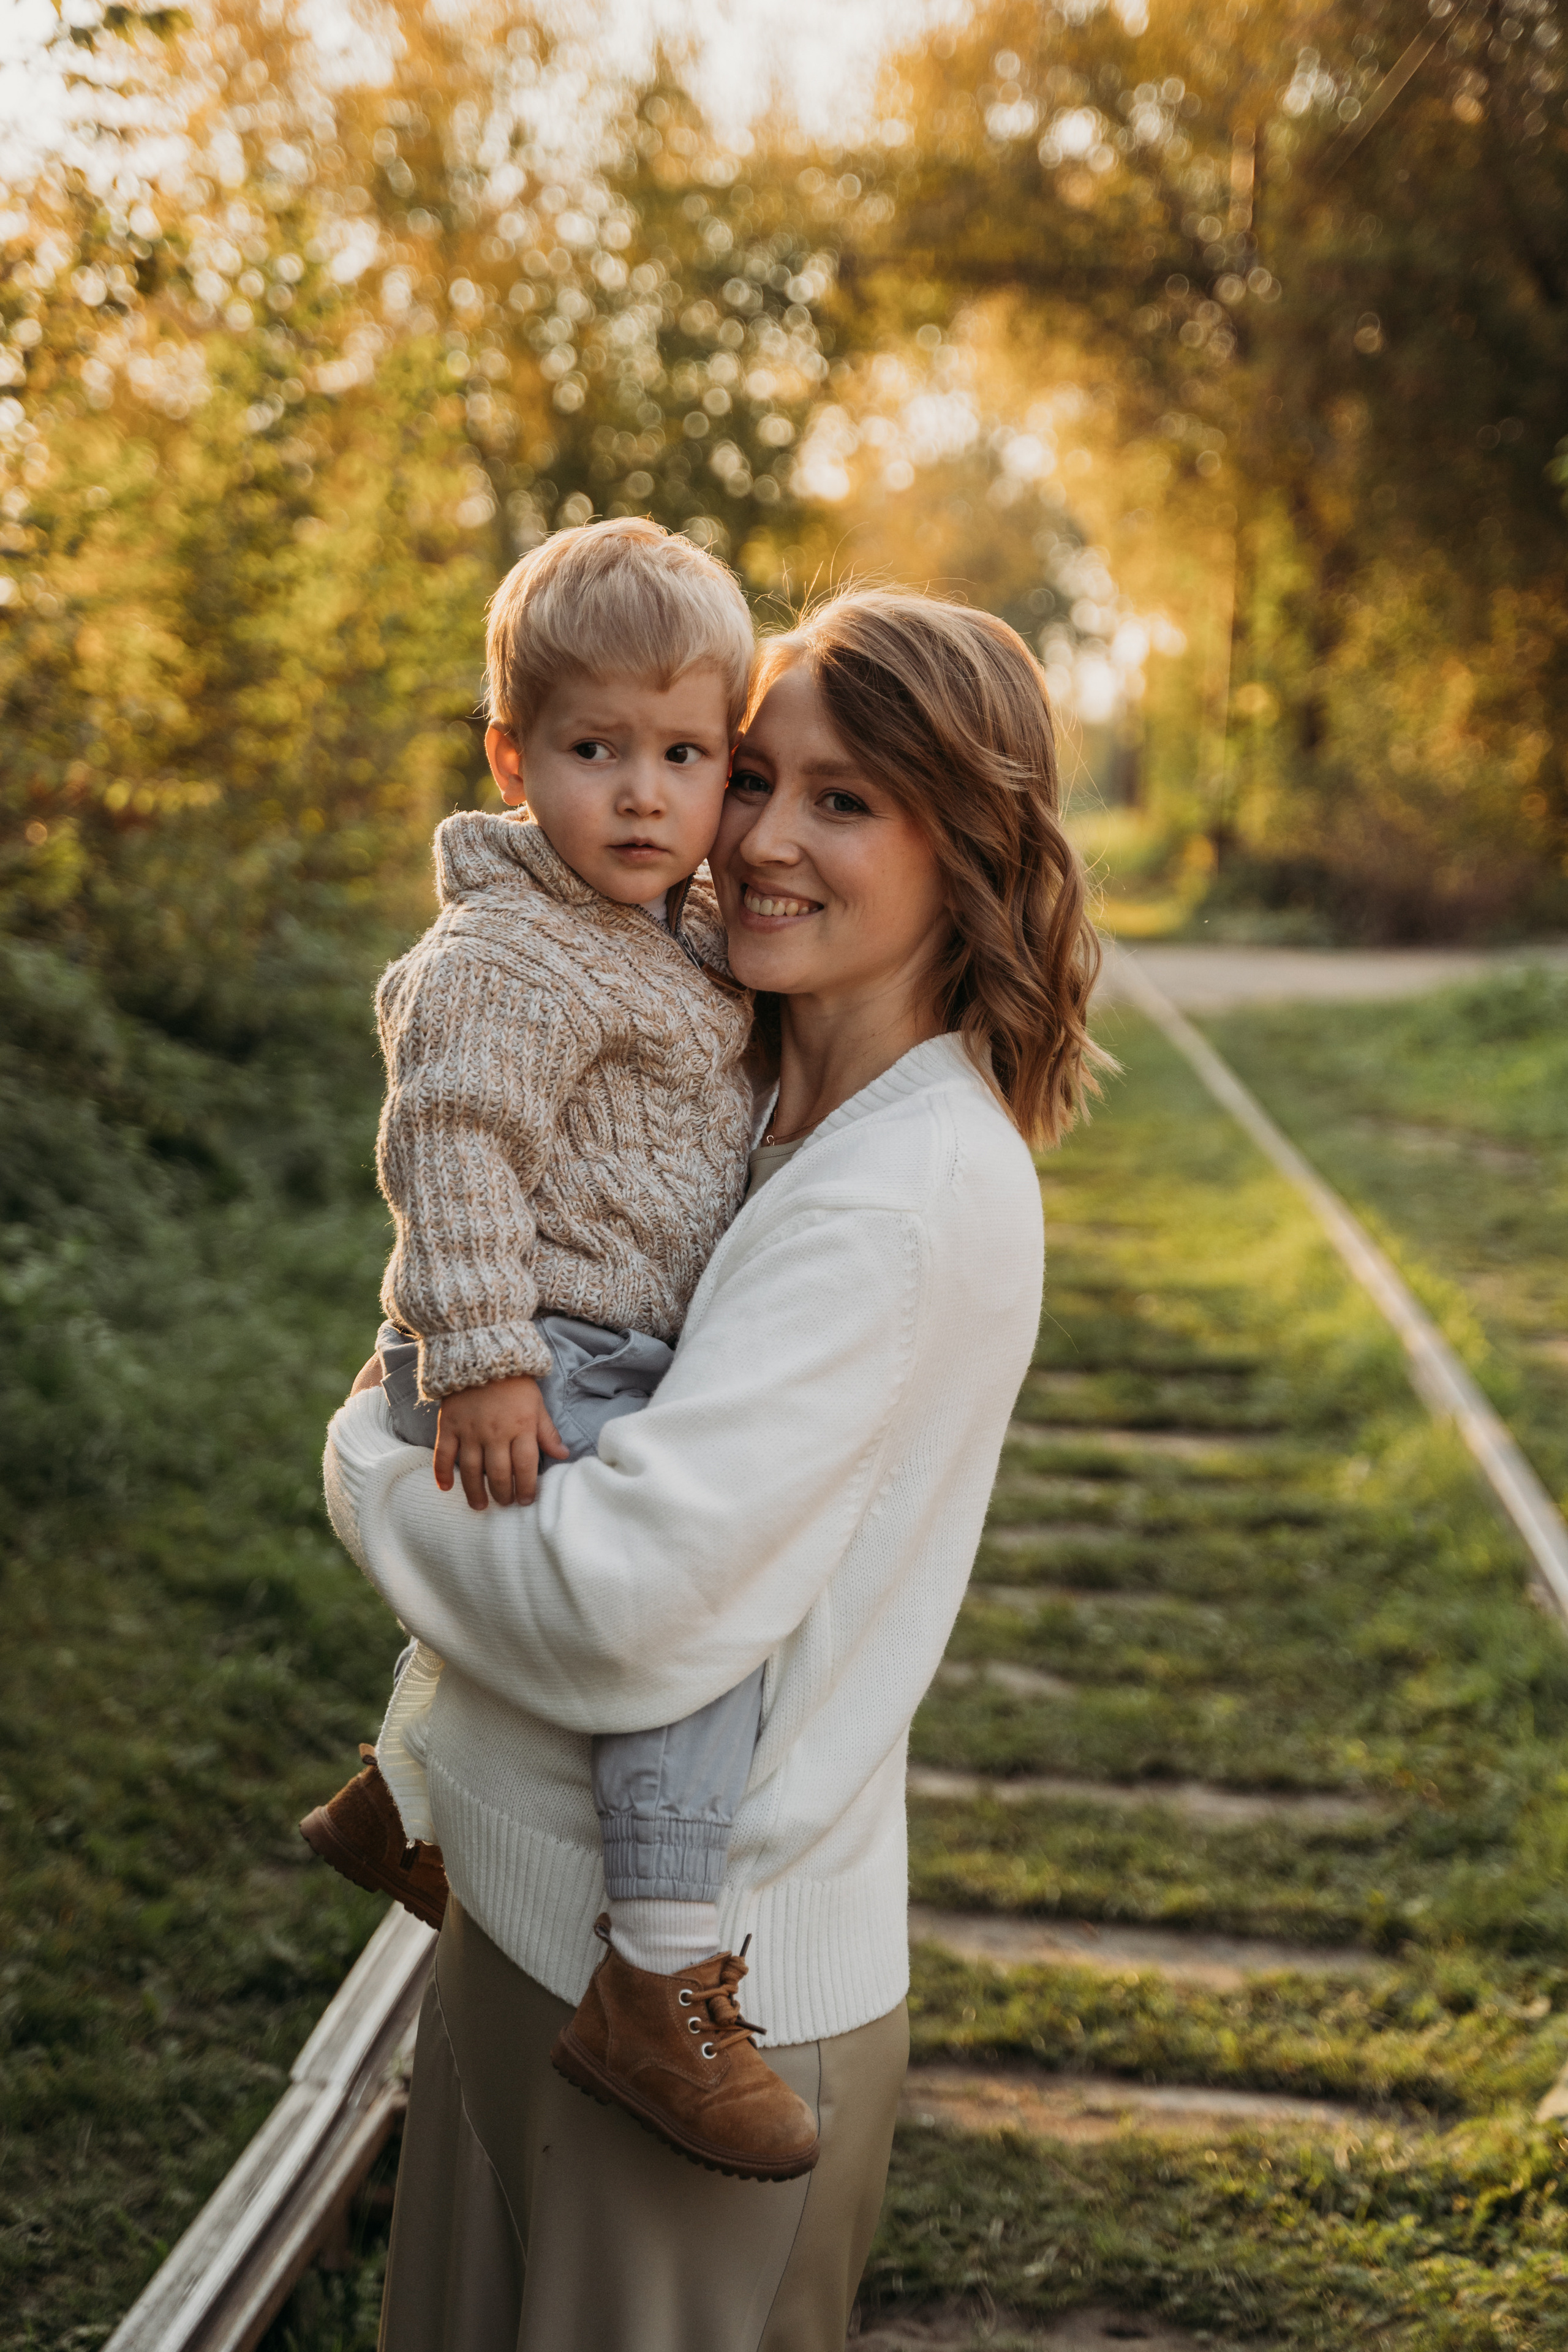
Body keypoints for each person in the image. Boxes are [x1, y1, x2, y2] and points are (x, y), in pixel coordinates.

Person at [324, 587, 1104, 2350]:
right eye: (752, 776)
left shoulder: (902, 1195)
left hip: (704, 2000)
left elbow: (623, 1609)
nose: (755, 838)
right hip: (526, 1924)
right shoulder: (742, 1087)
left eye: (844, 802)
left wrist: (367, 1463)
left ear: (967, 853)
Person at [301, 514, 818, 2178]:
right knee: (688, 1612)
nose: (647, 797)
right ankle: (658, 1969)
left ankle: (401, 1798)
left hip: (600, 1339)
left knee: (607, 1586)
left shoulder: (672, 925)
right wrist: (484, 1357)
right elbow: (453, 1146)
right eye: (598, 753)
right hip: (551, 1346)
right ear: (514, 758)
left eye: (687, 756)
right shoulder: (508, 952)